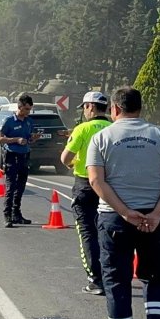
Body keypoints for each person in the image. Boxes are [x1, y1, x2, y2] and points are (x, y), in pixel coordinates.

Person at [87, 87, 160, 319]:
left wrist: (125, 212)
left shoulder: (102, 137)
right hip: (154, 219)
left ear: (115, 109)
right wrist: (157, 213)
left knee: (117, 282)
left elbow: (96, 181)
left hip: (115, 220)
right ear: (140, 108)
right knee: (156, 278)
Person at [60, 91, 112, 296]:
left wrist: (73, 164)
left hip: (85, 184)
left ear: (90, 106)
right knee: (109, 231)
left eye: (84, 107)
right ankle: (113, 275)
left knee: (87, 232)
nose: (84, 111)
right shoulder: (114, 128)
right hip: (110, 186)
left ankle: (95, 280)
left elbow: (65, 158)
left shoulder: (82, 128)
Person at [0, 95, 38, 227]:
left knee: (20, 187)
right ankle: (7, 215)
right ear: (20, 107)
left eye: (30, 109)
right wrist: (16, 140)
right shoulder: (9, 121)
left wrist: (33, 138)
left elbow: (28, 138)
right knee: (11, 187)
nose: (28, 112)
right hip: (12, 156)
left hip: (24, 156)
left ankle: (16, 214)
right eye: (26, 109)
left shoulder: (29, 121)